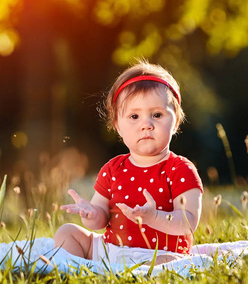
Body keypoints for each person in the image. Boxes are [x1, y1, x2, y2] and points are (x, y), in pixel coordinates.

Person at [54, 60, 203, 264]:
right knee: (67, 232)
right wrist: (90, 214)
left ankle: (137, 271)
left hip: (158, 254)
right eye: (134, 116)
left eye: (157, 115)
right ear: (117, 125)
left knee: (172, 265)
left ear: (175, 121)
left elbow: (188, 222)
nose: (146, 125)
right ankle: (71, 270)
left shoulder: (180, 169)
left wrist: (154, 217)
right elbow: (100, 220)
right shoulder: (113, 168)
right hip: (110, 251)